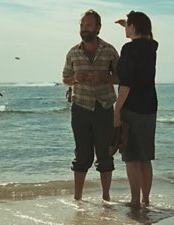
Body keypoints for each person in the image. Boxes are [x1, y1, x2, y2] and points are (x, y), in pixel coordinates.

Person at [62, 9, 119, 201]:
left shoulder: (110, 50)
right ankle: (77, 199)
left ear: (98, 28)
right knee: (82, 155)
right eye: (82, 25)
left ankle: (106, 199)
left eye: (88, 25)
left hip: (104, 107)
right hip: (80, 108)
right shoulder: (73, 52)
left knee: (105, 155)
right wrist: (75, 79)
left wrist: (105, 77)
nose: (84, 29)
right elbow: (65, 79)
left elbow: (121, 77)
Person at [114, 11, 158, 208]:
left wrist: (117, 108)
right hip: (150, 106)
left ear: (133, 27)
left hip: (132, 106)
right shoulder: (151, 47)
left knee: (131, 156)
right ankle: (146, 199)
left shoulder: (129, 49)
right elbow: (147, 37)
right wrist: (131, 24)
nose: (126, 28)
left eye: (128, 25)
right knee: (145, 156)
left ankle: (134, 200)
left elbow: (127, 83)